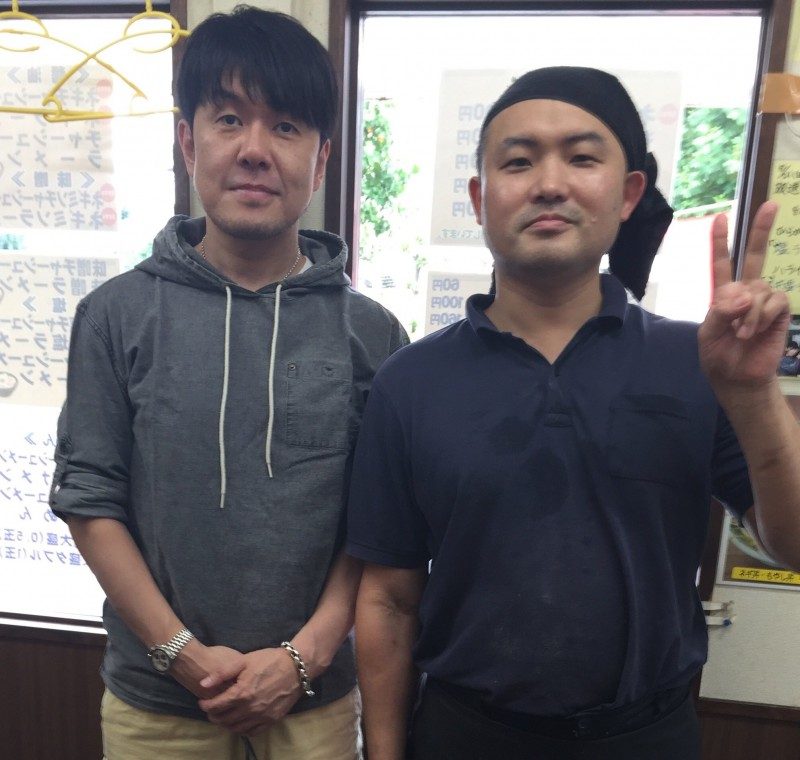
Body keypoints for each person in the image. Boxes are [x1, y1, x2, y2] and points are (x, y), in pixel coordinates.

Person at [346, 66, 800, 760]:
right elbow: (389, 598)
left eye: (583, 158)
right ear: (480, 198)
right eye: (518, 161)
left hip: (648, 737)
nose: (549, 184)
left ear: (628, 194)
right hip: (465, 735)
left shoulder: (697, 361)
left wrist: (754, 396)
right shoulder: (410, 381)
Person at [50, 7, 406, 759]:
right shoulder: (115, 315)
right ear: (188, 141)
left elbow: (375, 525)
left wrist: (304, 658)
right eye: (229, 119)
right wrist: (181, 653)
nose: (254, 150)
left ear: (321, 158)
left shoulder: (372, 332)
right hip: (157, 706)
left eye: (286, 127)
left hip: (315, 703)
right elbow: (89, 497)